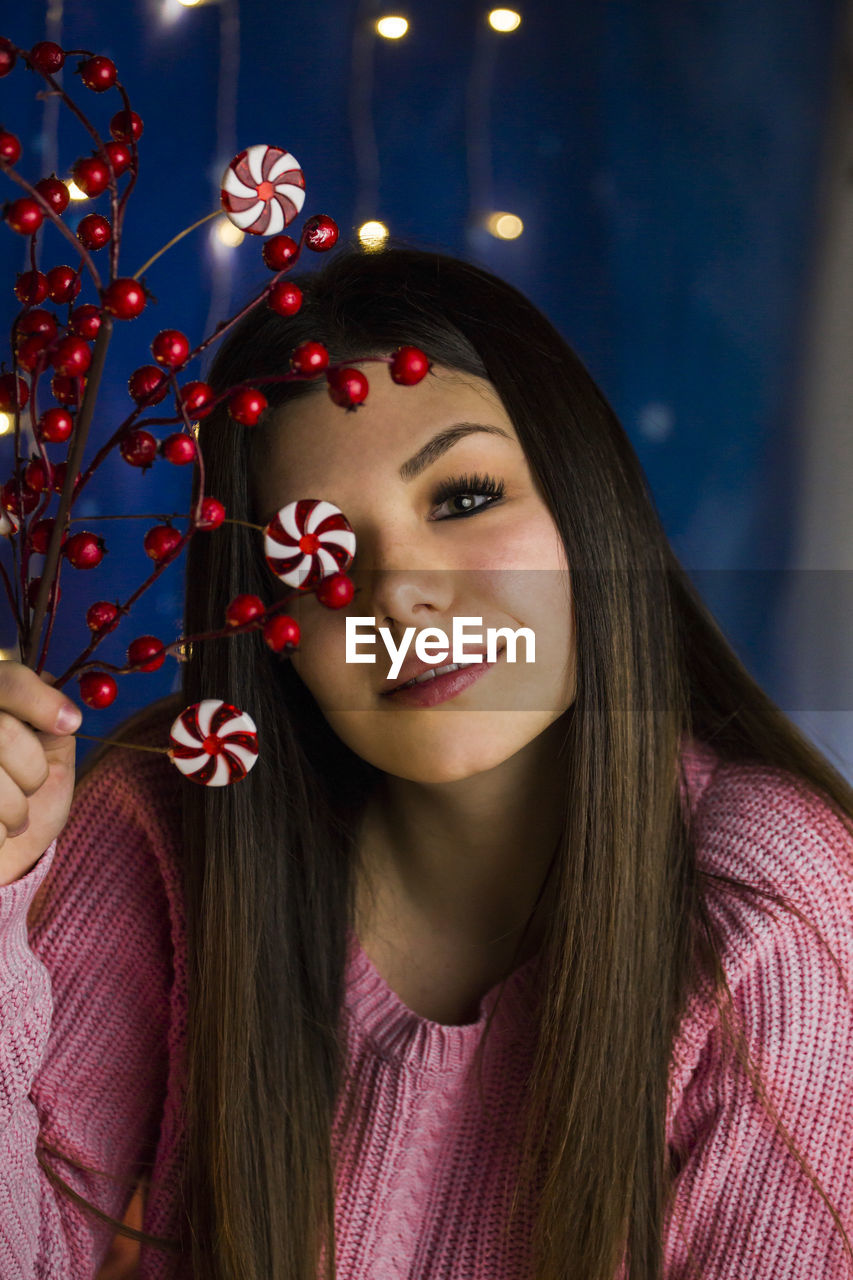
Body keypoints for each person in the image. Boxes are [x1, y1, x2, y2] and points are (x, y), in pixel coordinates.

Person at [1, 244, 852, 1280]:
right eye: (316, 552)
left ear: (590, 508)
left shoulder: (771, 911)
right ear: (263, 617)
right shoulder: (164, 832)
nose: (398, 592)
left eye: (463, 497)